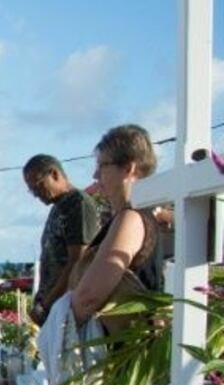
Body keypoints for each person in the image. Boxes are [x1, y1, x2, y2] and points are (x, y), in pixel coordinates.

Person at [71, 124, 161, 324]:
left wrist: (59, 329)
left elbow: (89, 296)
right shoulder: (133, 216)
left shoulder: (131, 219)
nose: (95, 175)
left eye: (103, 165)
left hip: (123, 347)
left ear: (129, 168)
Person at [23, 155, 102, 324]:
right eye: (31, 190)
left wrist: (46, 304)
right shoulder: (59, 207)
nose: (35, 194)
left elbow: (78, 261)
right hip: (55, 309)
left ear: (54, 174)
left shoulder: (78, 204)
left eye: (37, 186)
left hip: (67, 309)